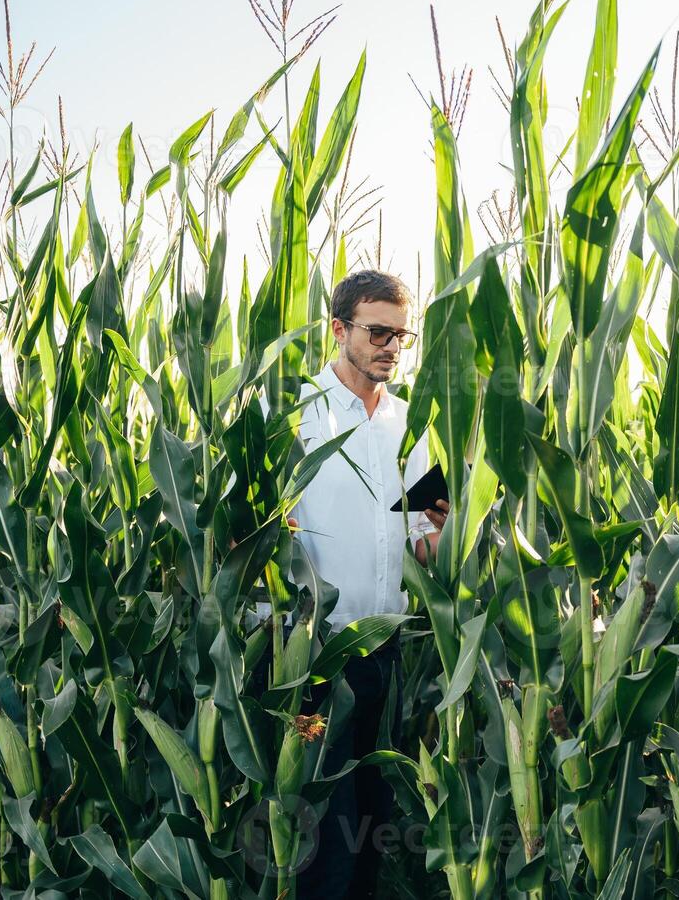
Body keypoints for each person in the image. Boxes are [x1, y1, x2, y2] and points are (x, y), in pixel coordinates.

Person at [290, 269, 449, 896]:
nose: (390, 346)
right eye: (377, 331)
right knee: (322, 829)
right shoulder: (297, 416)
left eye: (400, 336)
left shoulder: (411, 423)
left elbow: (427, 546)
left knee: (373, 829)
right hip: (315, 669)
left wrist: (459, 517)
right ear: (339, 329)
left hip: (389, 662)